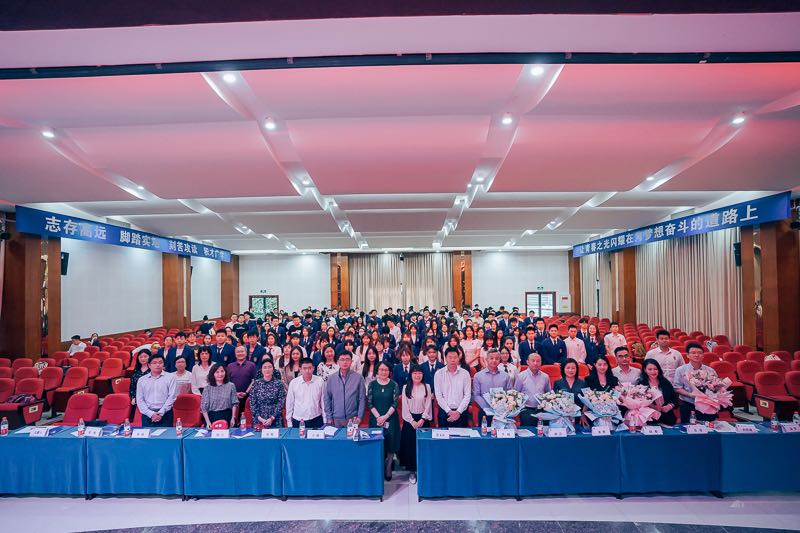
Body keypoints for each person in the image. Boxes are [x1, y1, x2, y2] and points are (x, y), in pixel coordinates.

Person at [367, 361, 401, 481]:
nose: (383, 372)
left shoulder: (394, 384)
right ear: (377, 371)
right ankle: (379, 467)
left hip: (390, 419)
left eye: (386, 370)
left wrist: (385, 416)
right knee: (377, 443)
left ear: (389, 372)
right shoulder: (372, 384)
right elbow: (370, 403)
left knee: (391, 444)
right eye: (381, 369)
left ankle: (388, 467)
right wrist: (378, 417)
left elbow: (395, 403)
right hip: (375, 419)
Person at [399, 365, 432, 484]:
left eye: (419, 373)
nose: (417, 375)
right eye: (415, 373)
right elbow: (405, 406)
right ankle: (412, 471)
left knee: (423, 446)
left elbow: (428, 404)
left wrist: (423, 419)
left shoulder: (427, 387)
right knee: (410, 446)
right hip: (410, 421)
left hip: (423, 419)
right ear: (411, 375)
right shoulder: (406, 387)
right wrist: (412, 421)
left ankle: (423, 470)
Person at [674, 342, 720, 423]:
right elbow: (677, 388)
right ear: (688, 355)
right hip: (688, 403)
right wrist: (690, 394)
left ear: (703, 355)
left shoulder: (710, 370)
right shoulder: (680, 370)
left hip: (707, 405)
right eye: (693, 353)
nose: (696, 355)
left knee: (708, 427)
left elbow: (717, 387)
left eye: (699, 353)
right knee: (688, 428)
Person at [324, 350, 367, 427]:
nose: (345, 362)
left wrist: (359, 417)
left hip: (353, 418)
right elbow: (327, 399)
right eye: (342, 360)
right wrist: (329, 417)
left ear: (351, 362)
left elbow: (362, 399)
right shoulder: (331, 378)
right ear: (338, 362)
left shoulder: (358, 378)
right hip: (336, 418)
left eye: (347, 359)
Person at [135, 353, 177, 428]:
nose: (158, 365)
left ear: (163, 364)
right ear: (149, 365)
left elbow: (172, 396)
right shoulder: (142, 380)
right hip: (147, 414)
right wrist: (151, 414)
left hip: (165, 414)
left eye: (160, 362)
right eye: (154, 363)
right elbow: (139, 399)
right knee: (148, 435)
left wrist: (160, 413)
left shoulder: (171, 377)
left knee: (166, 435)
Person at [433, 347, 471, 427]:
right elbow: (439, 396)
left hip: (462, 412)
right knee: (444, 434)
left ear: (459, 358)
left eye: (455, 357)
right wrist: (449, 411)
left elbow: (467, 395)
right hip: (444, 412)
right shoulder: (438, 374)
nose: (453, 360)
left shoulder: (465, 374)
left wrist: (458, 412)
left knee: (461, 434)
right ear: (445, 358)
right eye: (450, 357)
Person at [472, 349, 511, 424]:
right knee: (485, 430)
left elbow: (509, 393)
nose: (494, 360)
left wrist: (502, 406)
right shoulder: (478, 376)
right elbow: (476, 395)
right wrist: (487, 407)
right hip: (485, 410)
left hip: (502, 412)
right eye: (491, 358)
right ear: (486, 359)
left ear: (500, 360)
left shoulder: (505, 376)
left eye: (497, 358)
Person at [286, 357, 326, 428]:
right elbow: (289, 403)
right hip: (298, 420)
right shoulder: (294, 383)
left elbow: (323, 402)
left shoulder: (320, 381)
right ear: (300, 369)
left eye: (310, 368)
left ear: (313, 368)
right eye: (304, 368)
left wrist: (325, 419)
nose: (307, 371)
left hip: (316, 419)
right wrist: (289, 422)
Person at [514, 353, 552, 426]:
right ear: (527, 362)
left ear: (541, 362)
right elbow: (516, 393)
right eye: (533, 360)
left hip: (542, 410)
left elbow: (548, 393)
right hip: (526, 410)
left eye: (538, 361)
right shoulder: (521, 376)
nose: (535, 363)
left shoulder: (545, 377)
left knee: (544, 431)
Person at [637, 359, 678, 426]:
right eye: (650, 369)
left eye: (655, 369)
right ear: (645, 370)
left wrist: (669, 406)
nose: (653, 372)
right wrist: (652, 406)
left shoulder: (665, 382)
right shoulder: (641, 384)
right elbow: (638, 403)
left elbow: (675, 399)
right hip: (650, 418)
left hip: (667, 417)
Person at [249, 359, 286, 429]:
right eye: (265, 367)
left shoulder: (279, 384)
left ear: (273, 369)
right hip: (259, 419)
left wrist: (272, 418)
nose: (267, 370)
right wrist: (260, 419)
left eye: (269, 367)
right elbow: (252, 403)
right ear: (261, 370)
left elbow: (280, 403)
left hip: (275, 419)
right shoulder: (256, 384)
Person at [200, 363, 239, 428]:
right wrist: (207, 421)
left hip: (227, 416)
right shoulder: (207, 388)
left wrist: (233, 417)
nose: (220, 374)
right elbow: (204, 408)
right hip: (212, 417)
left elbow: (234, 403)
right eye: (217, 372)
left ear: (225, 372)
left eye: (222, 371)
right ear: (213, 374)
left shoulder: (231, 386)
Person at [129, 349, 151, 416]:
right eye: (141, 357)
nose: (143, 359)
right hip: (137, 398)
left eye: (145, 356)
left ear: (150, 357)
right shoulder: (136, 370)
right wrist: (133, 397)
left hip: (150, 399)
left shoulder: (153, 370)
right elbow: (132, 386)